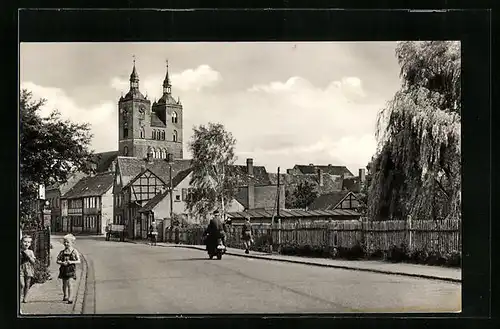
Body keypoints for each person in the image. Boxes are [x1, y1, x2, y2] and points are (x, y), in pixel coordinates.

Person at [56, 234, 81, 304]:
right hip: (63, 269)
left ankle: (70, 297)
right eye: (64, 242)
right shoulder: (62, 252)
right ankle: (65, 295)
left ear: (72, 243)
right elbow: (57, 260)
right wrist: (61, 262)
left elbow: (78, 261)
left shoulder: (74, 251)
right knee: (64, 284)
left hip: (71, 269)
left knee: (70, 283)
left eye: (67, 242)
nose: (66, 243)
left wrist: (71, 262)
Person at [20, 235, 36, 303]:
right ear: (21, 242)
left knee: (27, 284)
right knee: (21, 284)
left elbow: (33, 262)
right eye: (25, 242)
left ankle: (25, 297)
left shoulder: (30, 252)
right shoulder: (19, 251)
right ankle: (20, 296)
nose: (27, 244)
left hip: (28, 268)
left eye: (29, 242)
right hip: (20, 268)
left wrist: (29, 257)